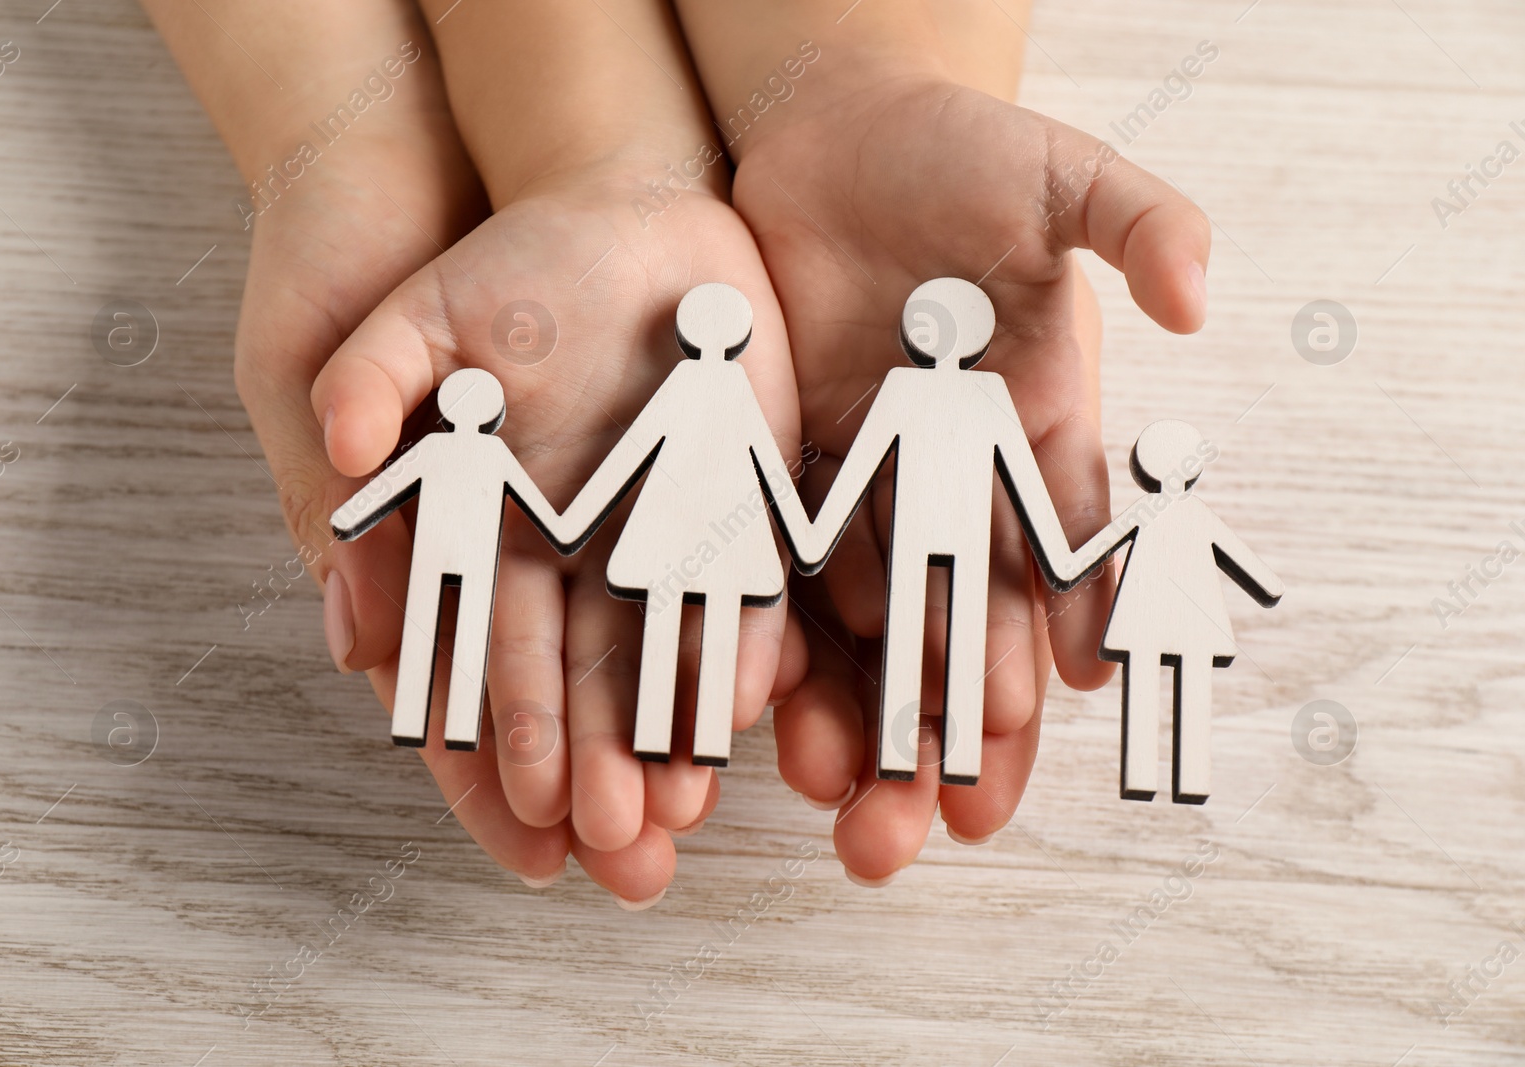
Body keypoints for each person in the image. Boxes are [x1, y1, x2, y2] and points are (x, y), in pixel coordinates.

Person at [144, 0, 1214, 897]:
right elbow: (671, 454)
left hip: (704, 524)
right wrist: (354, 126)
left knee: (805, 638)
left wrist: (846, 78)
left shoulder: (888, 403)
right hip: (684, 524)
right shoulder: (710, 395)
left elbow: (908, 460)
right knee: (708, 649)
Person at [781, 278, 1094, 785]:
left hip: (943, 530)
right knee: (944, 630)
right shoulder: (956, 390)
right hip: (949, 530)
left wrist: (818, 532)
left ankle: (926, 750)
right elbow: (866, 463)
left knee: (921, 628)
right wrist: (1057, 556)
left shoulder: (927, 388)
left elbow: (864, 467)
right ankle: (924, 750)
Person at [552, 283, 814, 768]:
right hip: (723, 526)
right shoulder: (725, 384)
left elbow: (632, 453)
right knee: (711, 624)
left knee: (666, 612)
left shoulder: (695, 382)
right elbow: (769, 465)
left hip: (678, 523)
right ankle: (697, 736)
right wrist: (803, 536)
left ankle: (663, 729)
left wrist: (575, 522)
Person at [330, 369, 573, 751]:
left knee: (421, 633)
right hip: (475, 557)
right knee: (472, 641)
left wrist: (346, 519)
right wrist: (569, 530)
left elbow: (382, 491)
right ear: (492, 412)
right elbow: (542, 513)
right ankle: (460, 725)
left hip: (435, 551)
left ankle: (416, 719)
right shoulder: (493, 453)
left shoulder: (434, 448)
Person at [1068, 421, 1284, 803]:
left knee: (1146, 689)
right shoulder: (1196, 514)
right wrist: (1270, 586)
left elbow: (1084, 558)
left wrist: (1057, 562)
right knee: (1190, 693)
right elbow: (1262, 579)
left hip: (1145, 615)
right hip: (1191, 622)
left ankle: (1144, 774)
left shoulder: (1146, 511)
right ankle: (1188, 779)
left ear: (1145, 467)